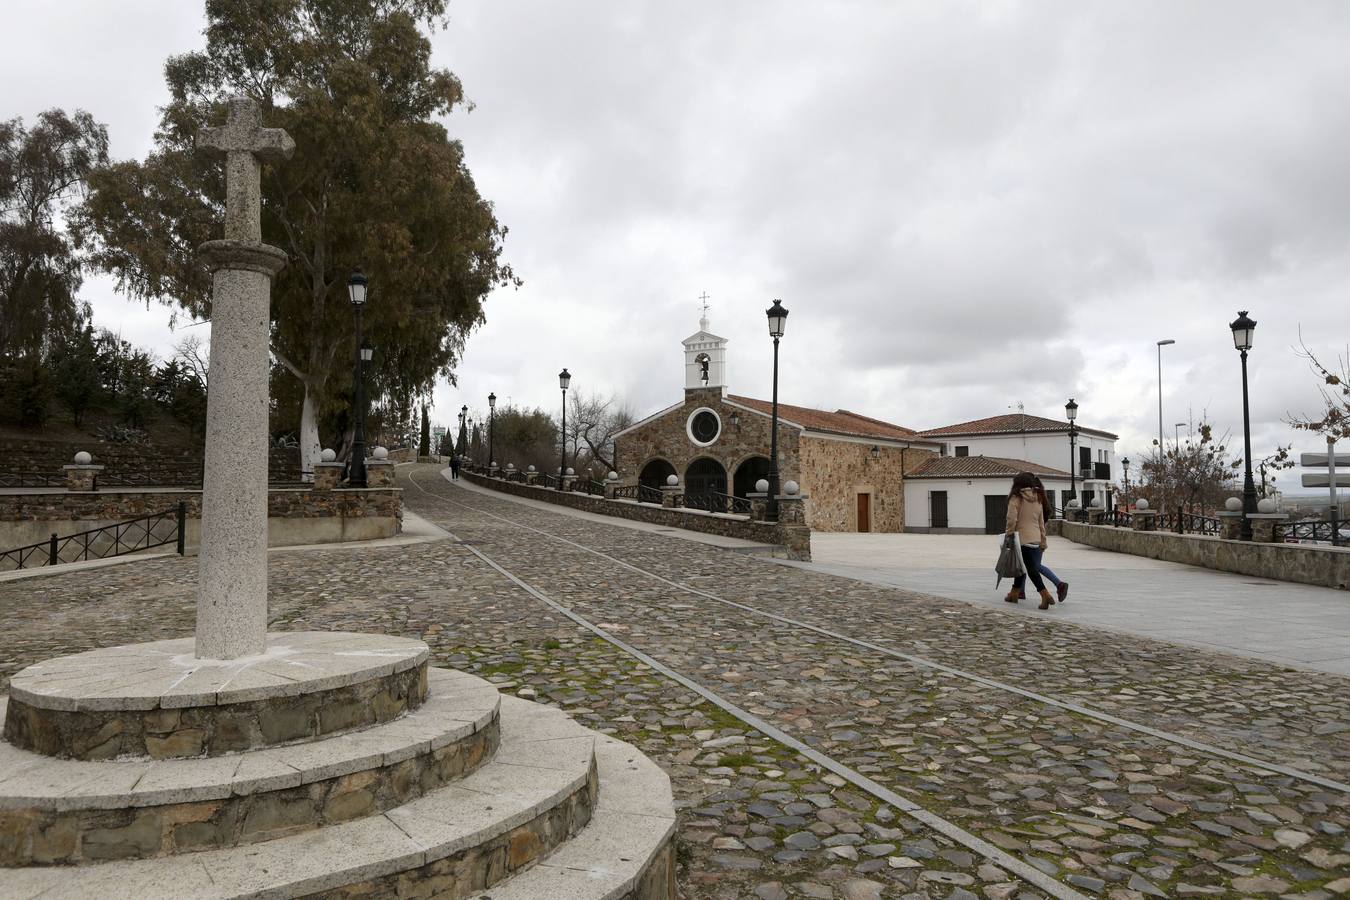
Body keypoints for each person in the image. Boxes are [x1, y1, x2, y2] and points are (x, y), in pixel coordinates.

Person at [1004, 472, 1054, 610]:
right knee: (1022, 567)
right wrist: (1043, 541)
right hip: (1035, 538)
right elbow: (1040, 522)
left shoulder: (1016, 497)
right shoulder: (1038, 497)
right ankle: (1014, 593)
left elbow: (1011, 519)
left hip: (1021, 539)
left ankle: (1045, 594)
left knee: (1030, 569)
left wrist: (1009, 535)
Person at [1033, 476, 1069, 602]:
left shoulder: (1033, 500)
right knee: (1029, 564)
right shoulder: (1043, 499)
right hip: (1041, 536)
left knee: (1034, 565)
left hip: (1031, 536)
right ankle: (1019, 591)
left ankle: (1059, 584)